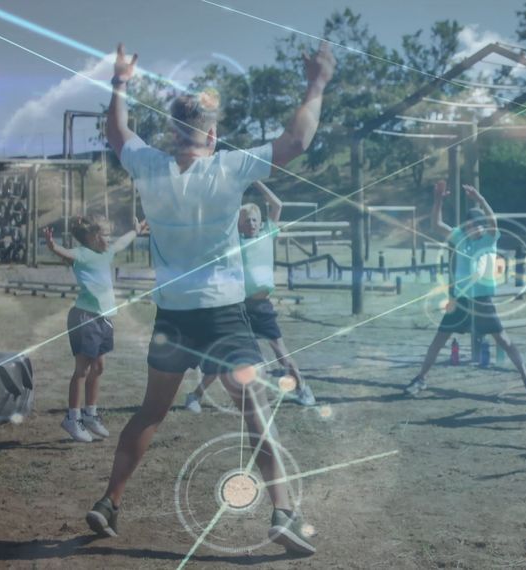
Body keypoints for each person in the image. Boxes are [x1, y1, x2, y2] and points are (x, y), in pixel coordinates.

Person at [86, 42, 333, 556]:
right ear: (213, 134)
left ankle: (109, 501)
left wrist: (121, 82)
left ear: (172, 132)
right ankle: (283, 513)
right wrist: (317, 84)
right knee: (255, 412)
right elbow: (297, 139)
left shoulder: (149, 167)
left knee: (151, 413)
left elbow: (116, 132)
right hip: (223, 315)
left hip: (172, 315)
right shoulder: (230, 168)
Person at [185, 182, 316, 412]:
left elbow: (277, 204)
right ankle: (195, 396)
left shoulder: (267, 233)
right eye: (247, 221)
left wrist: (255, 182)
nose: (252, 224)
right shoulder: (233, 241)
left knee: (280, 351)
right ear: (239, 224)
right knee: (226, 355)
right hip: (239, 307)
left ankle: (302, 388)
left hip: (263, 307)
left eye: (255, 220)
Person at [404, 180, 526, 397]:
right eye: (471, 225)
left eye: (478, 225)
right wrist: (437, 199)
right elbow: (436, 225)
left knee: (503, 340)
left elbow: (493, 221)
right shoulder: (459, 237)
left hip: (482, 300)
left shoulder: (489, 239)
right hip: (460, 300)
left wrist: (481, 200)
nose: (474, 228)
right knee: (439, 340)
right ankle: (421, 379)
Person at [43, 215, 145, 442]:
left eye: (109, 234)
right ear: (91, 236)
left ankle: (90, 414)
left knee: (98, 368)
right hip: (84, 317)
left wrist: (135, 231)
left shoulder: (105, 253)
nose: (109, 239)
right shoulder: (82, 254)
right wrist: (52, 246)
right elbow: (65, 253)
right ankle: (73, 418)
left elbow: (121, 244)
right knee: (82, 370)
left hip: (103, 319)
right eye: (105, 234)